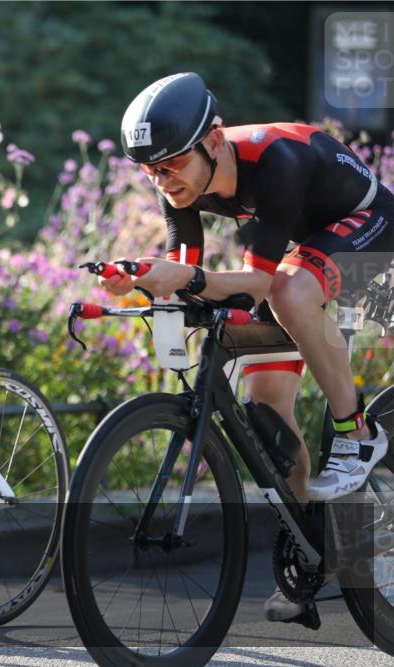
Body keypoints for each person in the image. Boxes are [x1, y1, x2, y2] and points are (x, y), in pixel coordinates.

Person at [106, 71, 391, 623]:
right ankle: (316, 551)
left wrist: (183, 280)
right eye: (149, 170)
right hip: (301, 250)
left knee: (288, 288)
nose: (162, 181)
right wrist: (141, 278)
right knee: (267, 416)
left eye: (170, 166)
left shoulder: (275, 161)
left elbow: (259, 283)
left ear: (214, 140)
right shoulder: (180, 182)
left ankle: (358, 434)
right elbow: (189, 272)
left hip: (369, 224)